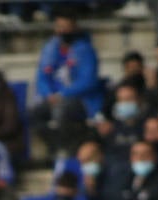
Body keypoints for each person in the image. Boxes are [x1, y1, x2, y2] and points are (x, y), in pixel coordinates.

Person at [31, 9, 104, 154]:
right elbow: (42, 77)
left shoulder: (86, 50)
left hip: (79, 100)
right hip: (53, 98)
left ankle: (69, 149)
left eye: (66, 27)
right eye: (59, 27)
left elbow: (88, 81)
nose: (63, 31)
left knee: (61, 110)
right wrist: (48, 94)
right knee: (34, 113)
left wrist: (62, 94)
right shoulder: (50, 49)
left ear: (75, 28)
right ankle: (54, 147)